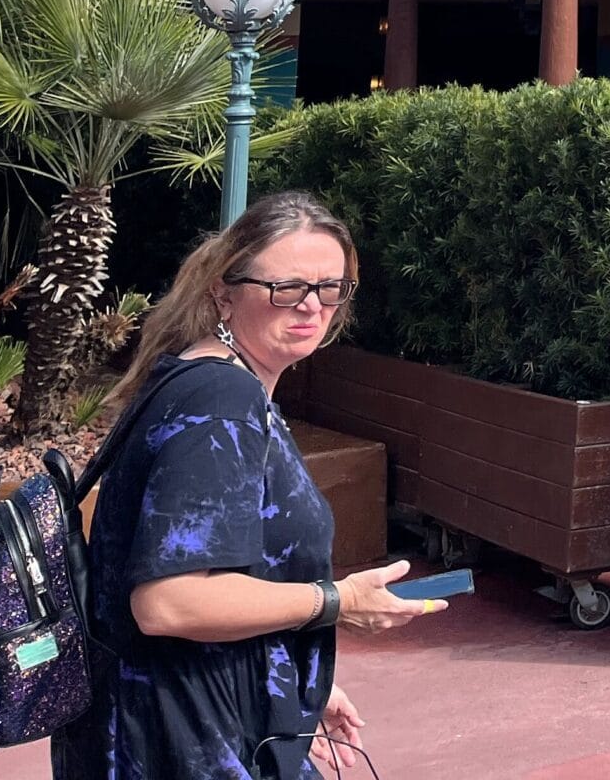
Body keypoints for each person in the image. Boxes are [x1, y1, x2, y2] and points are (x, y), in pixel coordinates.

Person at [54, 191, 444, 778]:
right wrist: (337, 602)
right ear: (223, 292)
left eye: (330, 288)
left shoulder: (211, 381)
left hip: (182, 716)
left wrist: (286, 676)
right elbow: (168, 601)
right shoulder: (222, 402)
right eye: (286, 288)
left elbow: (227, 574)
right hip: (182, 736)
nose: (312, 307)